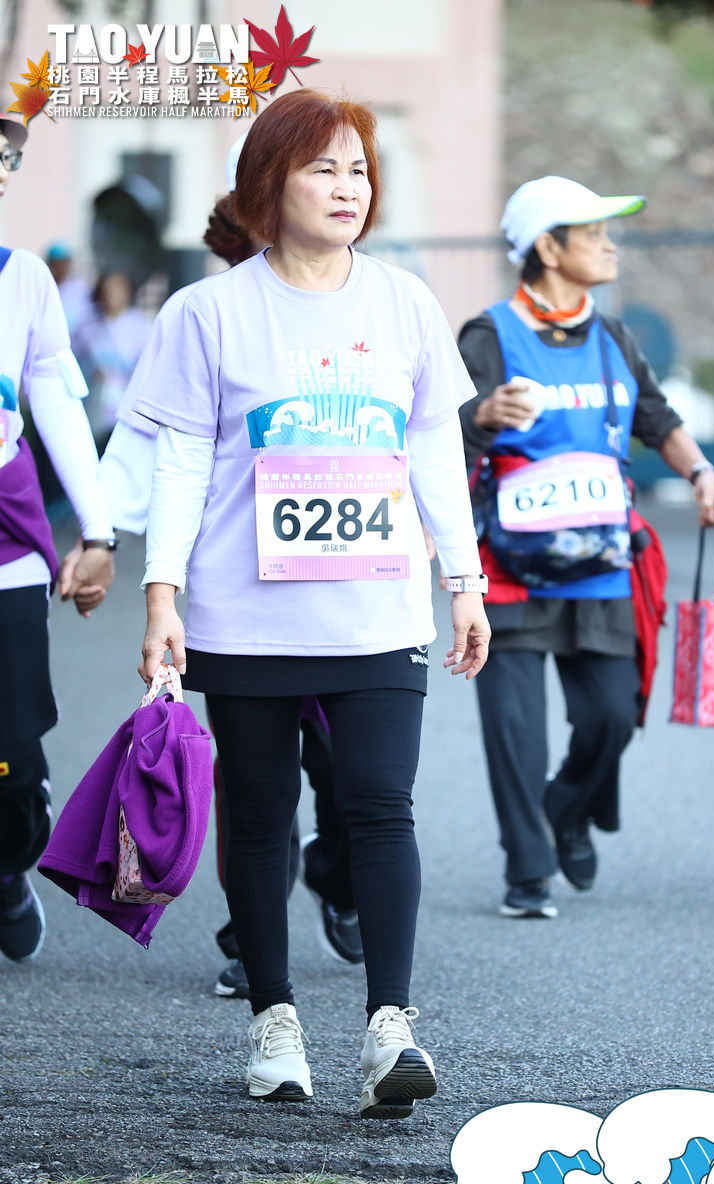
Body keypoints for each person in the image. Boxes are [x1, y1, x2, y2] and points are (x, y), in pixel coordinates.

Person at [130, 90, 489, 1117]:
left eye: (359, 170)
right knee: (258, 813)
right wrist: (162, 594)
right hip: (246, 615)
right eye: (322, 168)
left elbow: (434, 454)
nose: (347, 188)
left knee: (379, 803)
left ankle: (390, 1028)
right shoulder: (207, 313)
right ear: (267, 183)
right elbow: (181, 464)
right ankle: (274, 1020)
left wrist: (464, 581)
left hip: (378, 611)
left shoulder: (405, 304)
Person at [60, 181, 364, 991]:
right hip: (245, 591)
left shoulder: (361, 306)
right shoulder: (202, 315)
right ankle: (250, 934)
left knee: (351, 769)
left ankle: (338, 873)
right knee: (252, 779)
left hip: (347, 594)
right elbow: (147, 435)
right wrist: (102, 535)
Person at [458, 175, 714, 919]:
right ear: (548, 249)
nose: (610, 247)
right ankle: (528, 871)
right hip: (510, 569)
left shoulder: (613, 337)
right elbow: (441, 432)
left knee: (613, 717)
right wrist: (482, 413)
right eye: (593, 235)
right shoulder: (488, 336)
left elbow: (657, 418)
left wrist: (702, 475)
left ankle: (568, 808)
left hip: (601, 565)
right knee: (515, 732)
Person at [0, 114, 115, 962]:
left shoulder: (25, 279)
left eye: (6, 155)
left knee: (11, 756)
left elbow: (57, 402)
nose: (2, 167)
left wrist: (98, 528)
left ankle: (7, 863)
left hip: (5, 540)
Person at [73, 269, 152, 448]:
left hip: (128, 412)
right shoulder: (86, 327)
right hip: (93, 410)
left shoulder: (141, 326)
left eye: (118, 289)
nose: (112, 295)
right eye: (108, 289)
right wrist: (90, 371)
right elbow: (74, 362)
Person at [44, 241, 93, 339]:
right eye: (58, 264)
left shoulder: (80, 288)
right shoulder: (45, 287)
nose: (62, 268)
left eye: (65, 263)